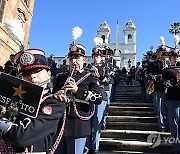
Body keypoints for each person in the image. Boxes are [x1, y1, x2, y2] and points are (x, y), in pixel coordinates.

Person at [0, 48, 66, 153]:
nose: (32, 76)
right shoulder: (15, 100)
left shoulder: (54, 103)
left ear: (48, 73)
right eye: (26, 73)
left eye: (37, 71)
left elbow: (21, 137)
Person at [54, 43, 103, 154]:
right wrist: (57, 94)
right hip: (59, 125)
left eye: (77, 58)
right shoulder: (60, 77)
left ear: (84, 59)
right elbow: (52, 96)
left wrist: (77, 91)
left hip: (78, 126)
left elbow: (99, 98)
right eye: (71, 58)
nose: (74, 61)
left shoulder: (90, 78)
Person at [84, 47, 110, 154]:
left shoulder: (105, 67)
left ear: (101, 58)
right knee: (88, 123)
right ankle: (87, 146)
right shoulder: (88, 67)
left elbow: (107, 81)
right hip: (89, 97)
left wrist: (99, 75)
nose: (96, 58)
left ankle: (95, 147)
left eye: (98, 56)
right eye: (94, 56)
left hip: (100, 96)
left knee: (97, 122)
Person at [162, 48, 180, 153]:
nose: (176, 59)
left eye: (177, 57)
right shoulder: (167, 71)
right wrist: (176, 79)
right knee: (174, 124)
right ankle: (176, 148)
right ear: (170, 59)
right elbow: (165, 84)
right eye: (174, 57)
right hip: (172, 99)